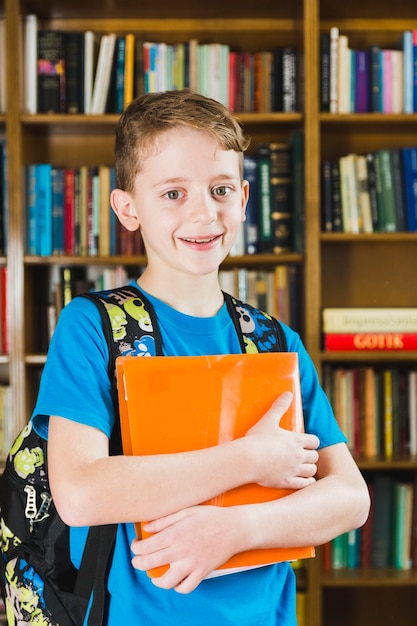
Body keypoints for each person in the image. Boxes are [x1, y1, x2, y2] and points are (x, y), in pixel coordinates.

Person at [32, 89, 370, 625]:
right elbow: (79, 492)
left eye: (220, 189)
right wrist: (251, 460)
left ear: (243, 198)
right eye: (172, 193)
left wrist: (237, 530)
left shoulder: (275, 340)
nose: (203, 212)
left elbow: (350, 498)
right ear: (128, 209)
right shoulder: (92, 326)